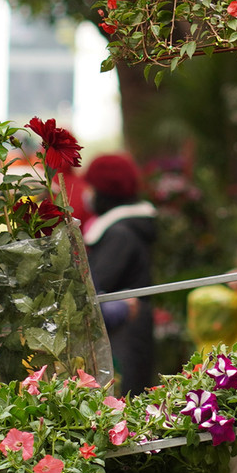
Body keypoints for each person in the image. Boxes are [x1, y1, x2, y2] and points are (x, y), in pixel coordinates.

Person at [82, 153, 158, 391]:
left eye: (92, 187)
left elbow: (93, 286)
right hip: (131, 330)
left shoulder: (120, 234)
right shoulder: (127, 228)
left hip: (123, 333)